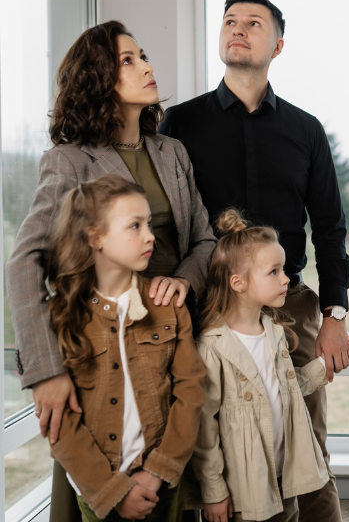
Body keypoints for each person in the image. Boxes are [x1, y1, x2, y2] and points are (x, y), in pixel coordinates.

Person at [5, 20, 216, 521]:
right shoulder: (70, 161)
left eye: (143, 55)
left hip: (173, 332)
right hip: (101, 349)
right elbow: (24, 260)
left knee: (174, 484)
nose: (146, 65)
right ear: (97, 77)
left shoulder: (172, 152)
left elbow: (206, 240)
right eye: (128, 59)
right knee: (102, 491)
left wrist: (183, 278)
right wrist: (46, 372)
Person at [160, 0, 349, 520]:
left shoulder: (306, 130)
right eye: (229, 21)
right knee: (209, 443)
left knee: (305, 441)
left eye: (253, 23)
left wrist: (335, 313)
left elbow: (332, 228)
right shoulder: (178, 125)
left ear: (279, 44)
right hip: (206, 306)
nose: (238, 29)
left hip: (289, 303)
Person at [46, 175, 205, 521]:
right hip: (97, 492)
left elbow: (191, 390)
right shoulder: (63, 315)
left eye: (149, 223)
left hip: (162, 485)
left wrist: (158, 471)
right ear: (95, 237)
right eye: (135, 225)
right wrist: (111, 492)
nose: (150, 235)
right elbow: (61, 423)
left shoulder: (169, 305)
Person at [189, 210, 349, 522]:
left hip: (282, 481)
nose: (287, 278)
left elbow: (285, 391)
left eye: (283, 269)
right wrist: (213, 491)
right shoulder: (212, 346)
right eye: (274, 271)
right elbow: (204, 428)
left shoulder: (274, 332)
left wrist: (321, 367)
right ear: (238, 282)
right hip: (242, 492)